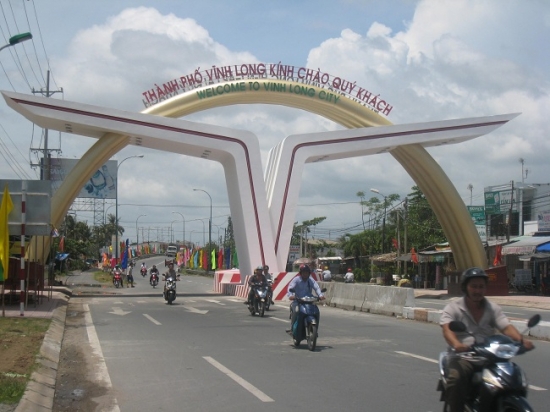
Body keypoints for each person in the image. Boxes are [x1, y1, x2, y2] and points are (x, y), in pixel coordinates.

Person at [439, 267, 535, 412]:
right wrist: (457, 344)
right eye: (474, 286)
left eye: (481, 287)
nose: (477, 290)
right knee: (457, 378)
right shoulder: (454, 308)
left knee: (513, 376)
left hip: (490, 356)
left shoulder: (492, 308)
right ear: (465, 287)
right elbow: (447, 329)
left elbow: (506, 326)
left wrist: (521, 341)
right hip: (465, 356)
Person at [286, 264, 325, 333]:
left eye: (307, 272)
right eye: (304, 272)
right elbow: (290, 288)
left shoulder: (310, 280)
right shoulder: (296, 280)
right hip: (298, 301)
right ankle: (292, 328)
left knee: (316, 311)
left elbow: (316, 287)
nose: (305, 274)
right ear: (301, 273)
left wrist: (320, 295)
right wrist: (291, 295)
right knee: (296, 311)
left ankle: (315, 329)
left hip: (309, 301)